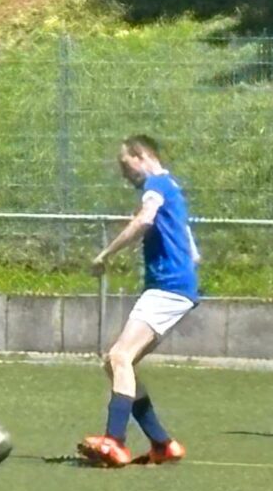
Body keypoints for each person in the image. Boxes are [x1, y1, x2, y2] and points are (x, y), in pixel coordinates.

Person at [80, 135, 201, 468]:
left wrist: (105, 253)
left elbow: (145, 219)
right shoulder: (173, 188)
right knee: (119, 363)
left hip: (168, 287)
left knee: (119, 356)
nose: (123, 173)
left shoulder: (156, 185)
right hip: (179, 287)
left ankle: (114, 442)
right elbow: (194, 252)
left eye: (125, 164)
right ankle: (162, 443)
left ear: (141, 156)